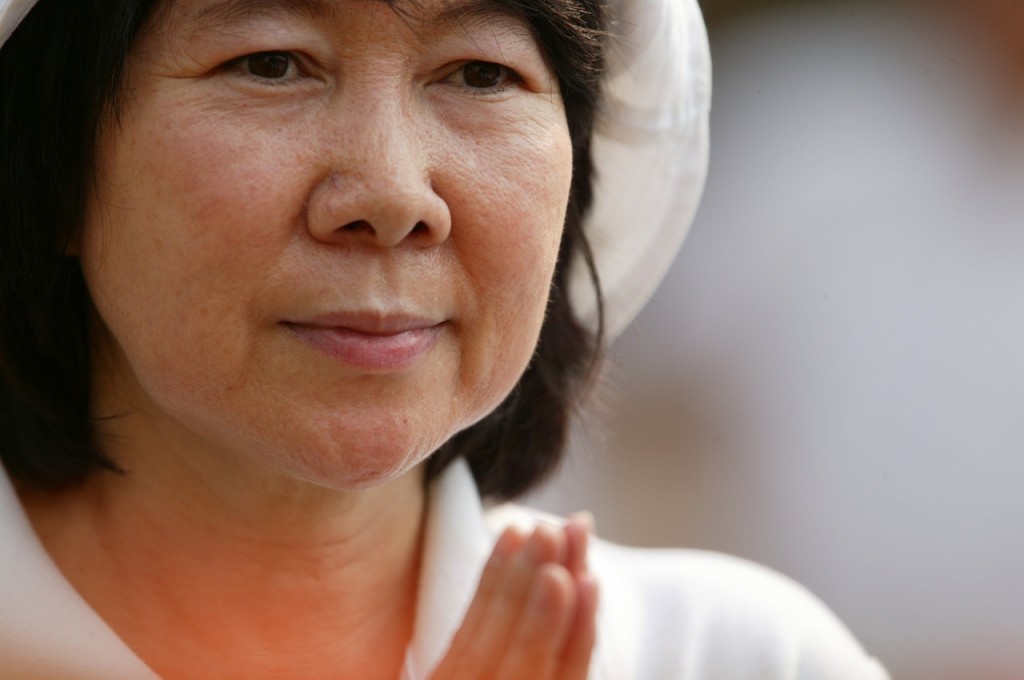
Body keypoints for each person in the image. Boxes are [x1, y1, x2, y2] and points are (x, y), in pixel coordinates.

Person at [0, 0, 889, 678]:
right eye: (271, 63)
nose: (390, 196)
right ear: (56, 161)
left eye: (479, 74)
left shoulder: (731, 659)